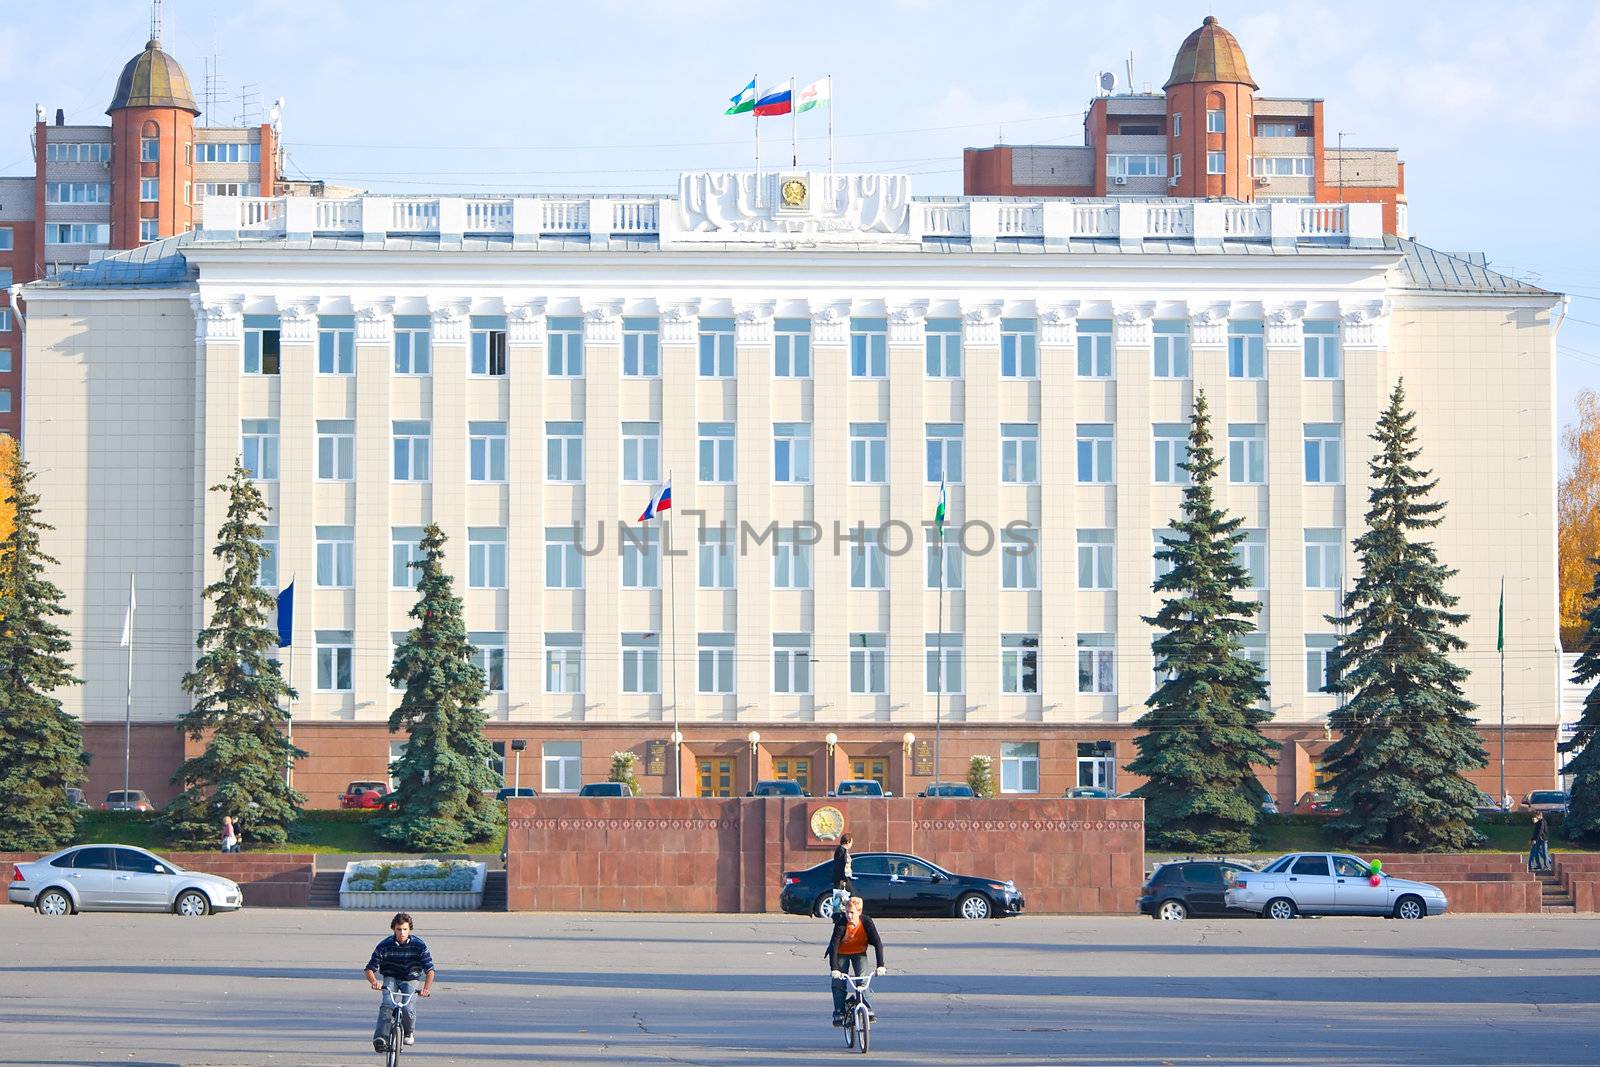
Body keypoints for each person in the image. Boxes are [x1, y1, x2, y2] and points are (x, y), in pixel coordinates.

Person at [364, 912, 434, 1052]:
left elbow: (430, 970)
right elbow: (369, 969)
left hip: (411, 978)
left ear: (410, 930)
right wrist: (374, 982)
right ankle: (381, 1038)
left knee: (408, 1007)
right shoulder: (384, 945)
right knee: (388, 1004)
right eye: (398, 929)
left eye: (405, 929)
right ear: (393, 929)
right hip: (391, 977)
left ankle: (408, 1032)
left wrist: (426, 989)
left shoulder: (419, 945)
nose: (402, 933)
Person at [824, 895, 885, 1027]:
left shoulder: (867, 922)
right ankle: (839, 1011)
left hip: (859, 953)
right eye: (847, 912)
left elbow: (878, 943)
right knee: (838, 983)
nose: (849, 915)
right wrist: (834, 969)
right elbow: (834, 945)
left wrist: (881, 966)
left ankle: (867, 1008)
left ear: (859, 912)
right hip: (841, 953)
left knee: (863, 980)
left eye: (852, 912)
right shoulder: (841, 922)